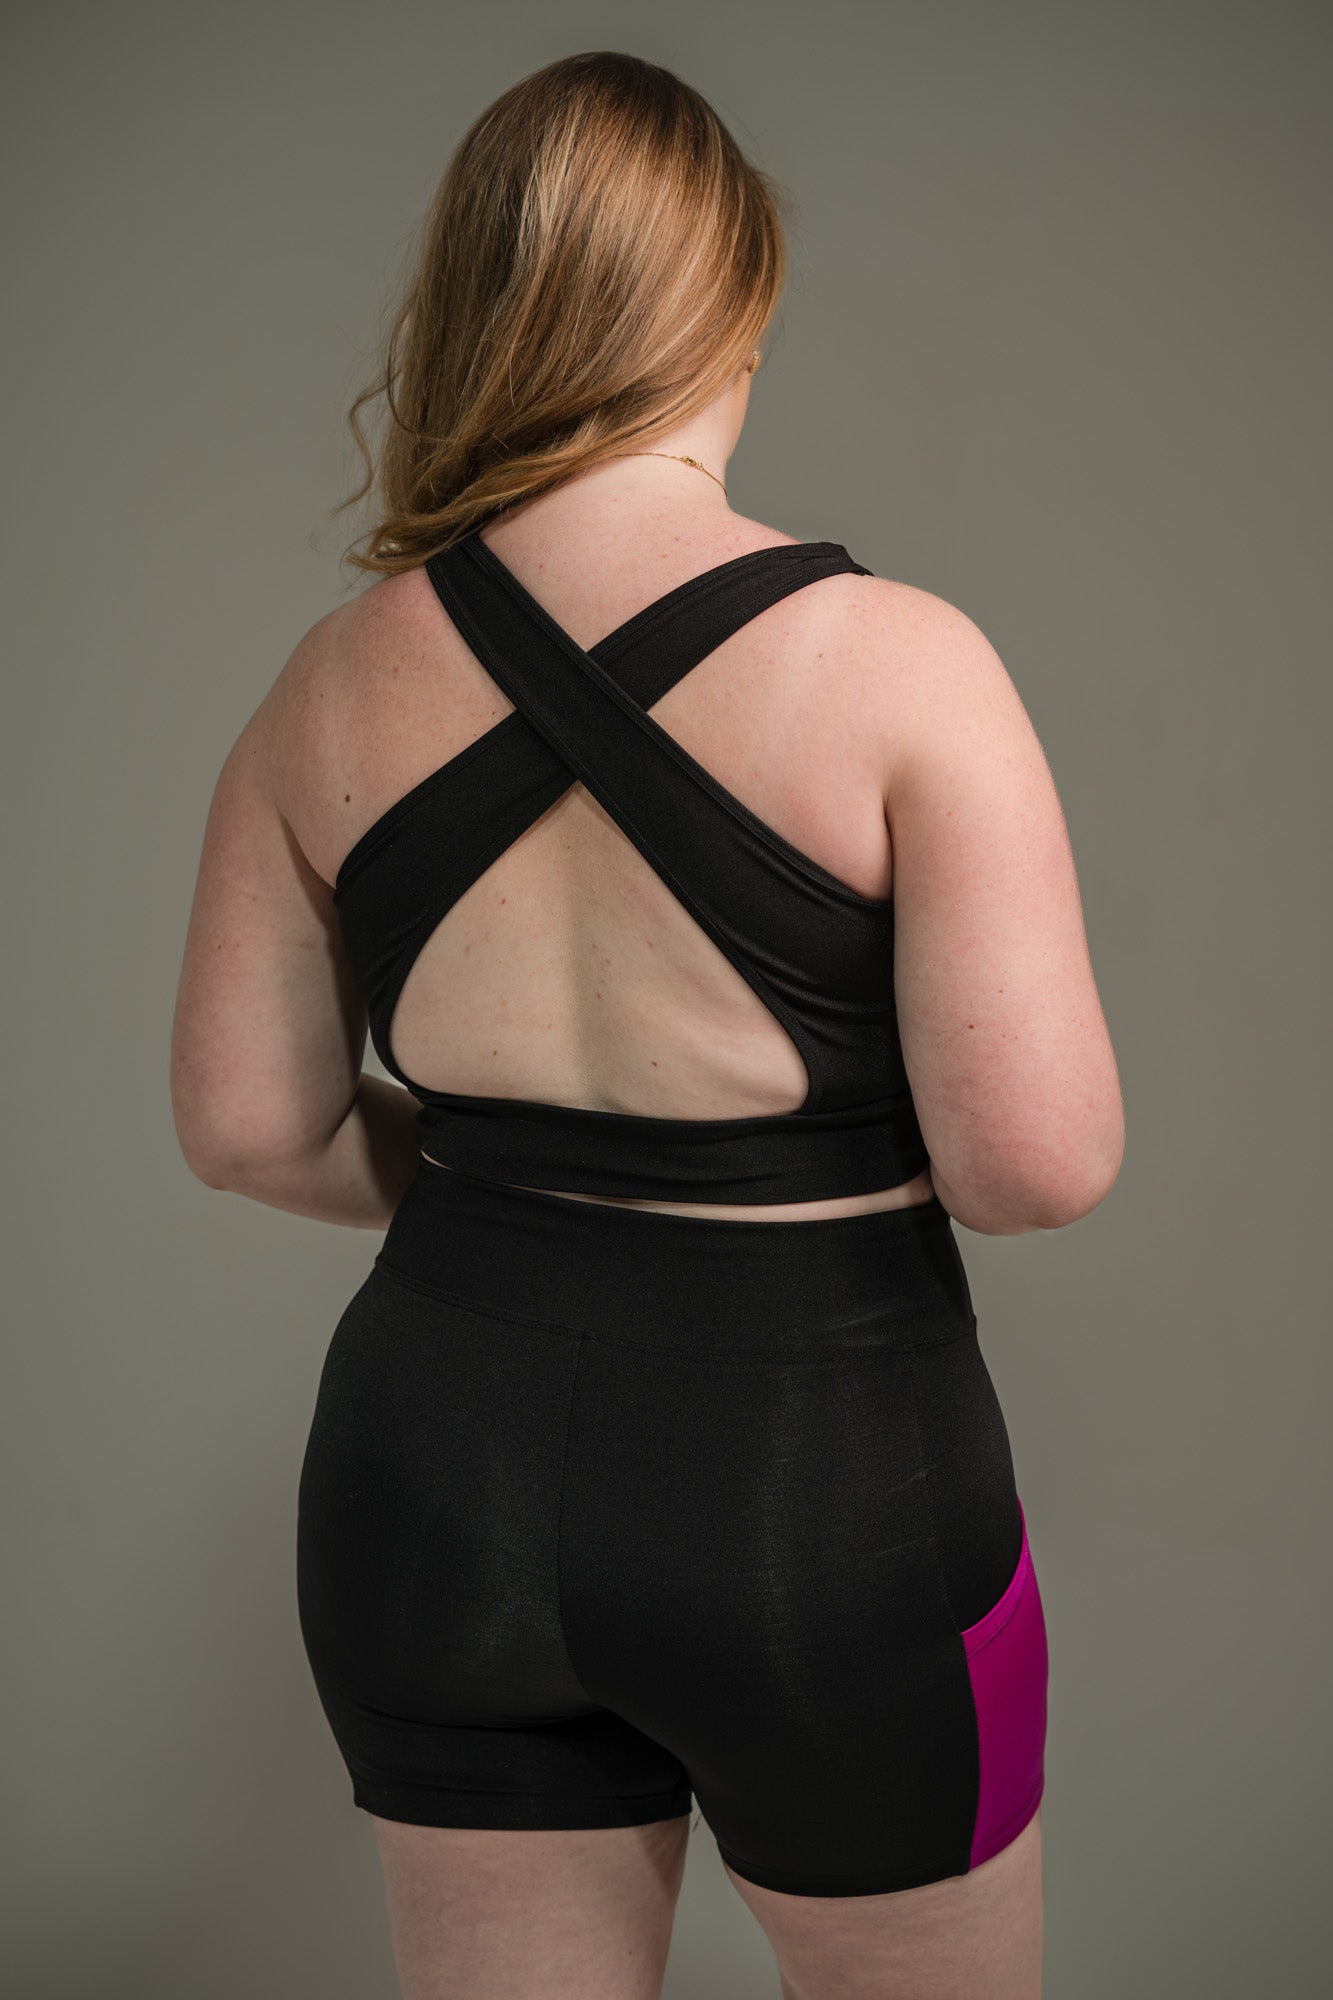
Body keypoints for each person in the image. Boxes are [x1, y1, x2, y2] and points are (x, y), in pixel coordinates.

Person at [171, 48, 1123, 2000]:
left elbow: (250, 1127)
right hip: (820, 1468)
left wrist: (539, 1208)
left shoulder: (326, 686)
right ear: (730, 308)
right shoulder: (898, 663)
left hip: (432, 1464)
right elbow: (1032, 1166)